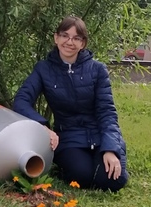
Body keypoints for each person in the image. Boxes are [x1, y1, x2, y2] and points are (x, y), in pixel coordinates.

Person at [13, 16, 128, 192]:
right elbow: (21, 100)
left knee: (113, 181)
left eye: (76, 38)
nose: (70, 42)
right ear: (56, 38)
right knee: (81, 176)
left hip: (99, 134)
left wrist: (111, 150)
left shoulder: (97, 69)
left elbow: (107, 113)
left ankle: (115, 153)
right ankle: (74, 164)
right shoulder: (43, 69)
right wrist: (42, 126)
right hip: (69, 137)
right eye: (65, 35)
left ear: (83, 43)